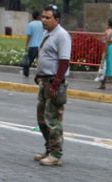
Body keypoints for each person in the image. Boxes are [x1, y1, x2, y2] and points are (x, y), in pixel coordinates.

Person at [32, 4, 72, 167]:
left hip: (55, 82)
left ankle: (56, 154)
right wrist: (39, 74)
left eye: (48, 17)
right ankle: (49, 149)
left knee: (52, 119)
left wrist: (56, 84)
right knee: (41, 119)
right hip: (45, 81)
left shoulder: (62, 35)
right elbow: (46, 56)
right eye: (43, 17)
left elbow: (64, 61)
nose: (44, 20)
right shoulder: (47, 33)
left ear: (57, 19)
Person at [23, 10, 43, 77]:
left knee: (29, 61)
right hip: (41, 46)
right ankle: (40, 74)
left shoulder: (30, 24)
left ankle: (26, 73)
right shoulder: (42, 24)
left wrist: (26, 45)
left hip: (32, 46)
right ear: (38, 16)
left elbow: (29, 36)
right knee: (40, 62)